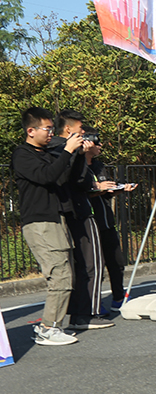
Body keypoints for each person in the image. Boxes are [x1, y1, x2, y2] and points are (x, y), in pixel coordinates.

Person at [11, 108, 82, 345]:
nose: (51, 133)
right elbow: (46, 176)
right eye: (47, 129)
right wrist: (67, 150)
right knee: (59, 275)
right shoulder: (22, 154)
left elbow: (63, 177)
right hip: (40, 222)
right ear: (31, 131)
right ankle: (48, 328)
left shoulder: (49, 153)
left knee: (65, 275)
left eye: (52, 129)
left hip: (56, 219)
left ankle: (53, 326)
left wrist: (75, 153)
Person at [50, 110, 114, 330]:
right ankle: (87, 313)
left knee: (77, 266)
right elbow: (78, 181)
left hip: (67, 212)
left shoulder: (54, 150)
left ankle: (78, 314)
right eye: (80, 129)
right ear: (68, 129)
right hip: (79, 212)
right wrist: (79, 155)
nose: (84, 133)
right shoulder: (62, 150)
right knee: (91, 264)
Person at [83, 125, 136, 312]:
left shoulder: (99, 166)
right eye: (97, 141)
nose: (100, 145)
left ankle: (118, 297)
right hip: (90, 223)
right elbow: (80, 191)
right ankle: (94, 304)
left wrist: (119, 189)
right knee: (94, 266)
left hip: (106, 221)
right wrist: (97, 188)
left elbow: (105, 191)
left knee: (116, 262)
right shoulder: (77, 167)